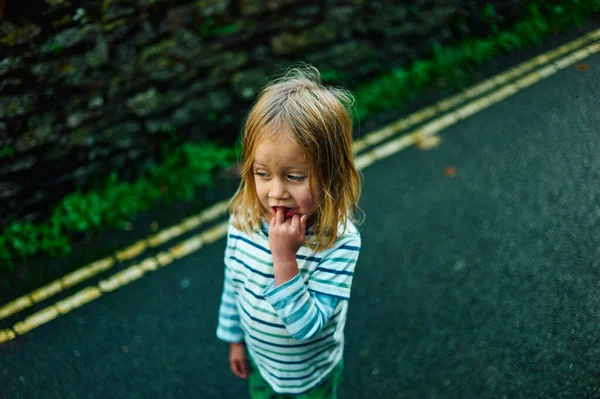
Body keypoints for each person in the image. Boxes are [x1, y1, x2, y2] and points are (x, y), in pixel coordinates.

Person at [216, 63, 362, 398]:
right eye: (262, 173)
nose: (275, 192)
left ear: (331, 174)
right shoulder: (244, 218)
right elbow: (233, 281)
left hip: (311, 378)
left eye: (294, 176)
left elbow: (306, 328)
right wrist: (235, 339)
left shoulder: (340, 242)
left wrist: (285, 261)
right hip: (262, 366)